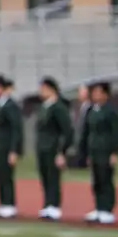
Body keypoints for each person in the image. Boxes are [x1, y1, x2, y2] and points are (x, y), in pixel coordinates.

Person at [80, 81, 118, 225]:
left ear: (105, 94)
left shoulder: (110, 111)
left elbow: (116, 133)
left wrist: (115, 152)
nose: (96, 95)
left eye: (99, 92)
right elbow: (87, 132)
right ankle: (98, 207)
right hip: (94, 150)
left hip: (106, 151)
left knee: (106, 180)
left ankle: (107, 209)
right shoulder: (91, 110)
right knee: (96, 180)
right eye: (94, 92)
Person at [34, 78, 73, 221]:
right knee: (44, 176)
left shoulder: (59, 107)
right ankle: (47, 204)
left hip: (53, 147)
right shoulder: (44, 106)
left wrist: (62, 151)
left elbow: (67, 130)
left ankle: (54, 205)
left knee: (53, 177)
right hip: (42, 147)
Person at [0, 75, 22, 219]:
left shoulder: (11, 105)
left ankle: (10, 204)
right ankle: (2, 203)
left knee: (7, 176)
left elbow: (16, 129)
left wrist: (14, 150)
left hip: (6, 146)